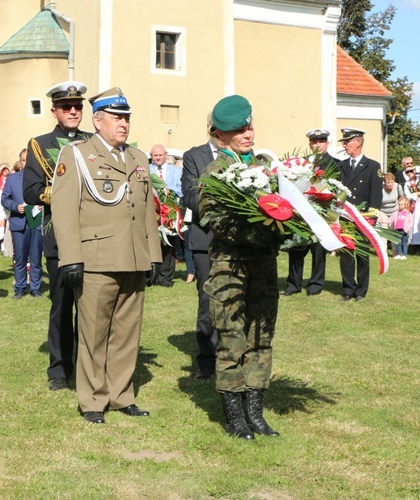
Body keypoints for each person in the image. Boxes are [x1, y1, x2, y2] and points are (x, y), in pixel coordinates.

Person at [51, 86, 161, 424]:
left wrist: (153, 254)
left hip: (133, 257)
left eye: (126, 117)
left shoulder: (138, 158)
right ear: (98, 121)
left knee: (128, 333)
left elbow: (147, 213)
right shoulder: (77, 155)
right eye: (116, 118)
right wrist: (70, 257)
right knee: (94, 333)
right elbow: (65, 208)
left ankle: (121, 394)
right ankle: (94, 400)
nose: (123, 124)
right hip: (96, 258)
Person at [199, 94, 281, 440]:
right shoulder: (216, 171)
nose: (248, 134)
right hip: (230, 266)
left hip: (263, 266)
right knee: (232, 338)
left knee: (261, 337)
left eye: (249, 127)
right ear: (221, 136)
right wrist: (251, 234)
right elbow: (209, 216)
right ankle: (234, 416)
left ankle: (255, 413)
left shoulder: (266, 167)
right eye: (239, 130)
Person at [23, 80, 92, 391]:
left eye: (78, 106)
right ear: (54, 111)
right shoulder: (39, 144)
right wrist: (64, 193)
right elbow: (31, 191)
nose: (74, 111)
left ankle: (87, 368)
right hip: (59, 237)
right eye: (66, 107)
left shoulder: (94, 142)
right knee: (62, 306)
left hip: (94, 236)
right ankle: (59, 371)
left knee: (91, 308)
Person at [181, 115, 222, 380]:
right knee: (208, 302)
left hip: (238, 242)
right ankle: (207, 361)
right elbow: (192, 196)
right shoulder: (194, 156)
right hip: (206, 239)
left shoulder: (247, 156)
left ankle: (233, 357)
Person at [284, 128, 338, 297]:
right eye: (314, 142)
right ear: (310, 144)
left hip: (320, 214)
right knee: (296, 248)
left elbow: (336, 189)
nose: (318, 144)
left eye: (321, 141)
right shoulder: (301, 163)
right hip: (301, 212)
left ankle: (315, 284)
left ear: (327, 143)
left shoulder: (335, 164)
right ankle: (293, 284)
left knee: (318, 251)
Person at [337, 128, 382, 301]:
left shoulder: (373, 166)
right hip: (346, 216)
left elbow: (376, 196)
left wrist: (371, 218)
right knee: (346, 255)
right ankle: (348, 290)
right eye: (344, 142)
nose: (344, 145)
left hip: (363, 218)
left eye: (347, 141)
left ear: (358, 142)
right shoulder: (342, 166)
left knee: (362, 255)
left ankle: (361, 291)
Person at [2, 165, 43, 299]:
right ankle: (20, 288)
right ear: (20, 162)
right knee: (20, 258)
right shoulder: (12, 178)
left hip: (35, 221)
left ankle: (35, 288)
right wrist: (15, 207)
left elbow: (46, 196)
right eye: (24, 159)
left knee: (36, 257)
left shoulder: (40, 178)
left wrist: (43, 204)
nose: (26, 162)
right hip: (19, 222)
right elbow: (4, 199)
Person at [149, 143, 184, 287]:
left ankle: (166, 278)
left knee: (169, 244)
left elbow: (181, 188)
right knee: (152, 244)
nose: (158, 158)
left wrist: (165, 190)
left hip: (170, 212)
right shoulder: (146, 170)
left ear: (165, 155)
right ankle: (151, 276)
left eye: (160, 155)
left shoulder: (176, 171)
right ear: (151, 157)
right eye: (155, 155)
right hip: (153, 212)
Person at [378, 172, 403, 257]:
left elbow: (401, 198)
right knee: (384, 231)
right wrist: (379, 215)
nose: (390, 184)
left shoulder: (398, 187)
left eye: (392, 182)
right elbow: (376, 201)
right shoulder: (380, 188)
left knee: (393, 231)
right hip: (383, 211)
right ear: (384, 182)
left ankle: (395, 251)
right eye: (388, 182)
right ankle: (383, 252)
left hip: (394, 211)